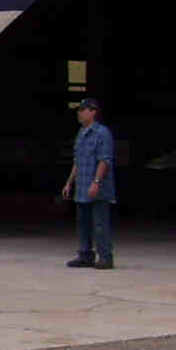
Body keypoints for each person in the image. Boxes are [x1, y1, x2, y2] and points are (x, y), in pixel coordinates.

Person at [61, 96, 116, 269]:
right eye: (79, 110)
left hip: (97, 187)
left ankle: (105, 257)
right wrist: (69, 183)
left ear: (93, 112)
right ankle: (85, 255)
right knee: (83, 223)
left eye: (83, 110)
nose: (80, 113)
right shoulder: (80, 134)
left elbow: (104, 160)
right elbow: (78, 161)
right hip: (82, 187)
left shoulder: (102, 133)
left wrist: (96, 182)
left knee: (100, 223)